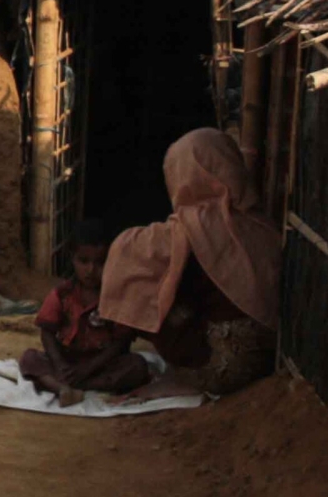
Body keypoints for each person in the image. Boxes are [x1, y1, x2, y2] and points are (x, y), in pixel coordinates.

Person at [99, 128, 282, 395]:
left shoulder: (195, 227)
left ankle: (175, 377)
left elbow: (128, 254)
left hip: (222, 369)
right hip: (266, 357)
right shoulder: (260, 225)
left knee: (150, 286)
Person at [18, 221, 150, 405]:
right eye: (84, 261)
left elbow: (121, 342)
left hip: (102, 363)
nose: (91, 270)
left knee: (137, 366)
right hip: (67, 361)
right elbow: (47, 332)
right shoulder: (61, 294)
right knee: (29, 358)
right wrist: (60, 364)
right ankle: (64, 387)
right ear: (72, 258)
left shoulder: (116, 297)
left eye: (99, 263)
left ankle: (74, 386)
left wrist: (88, 369)